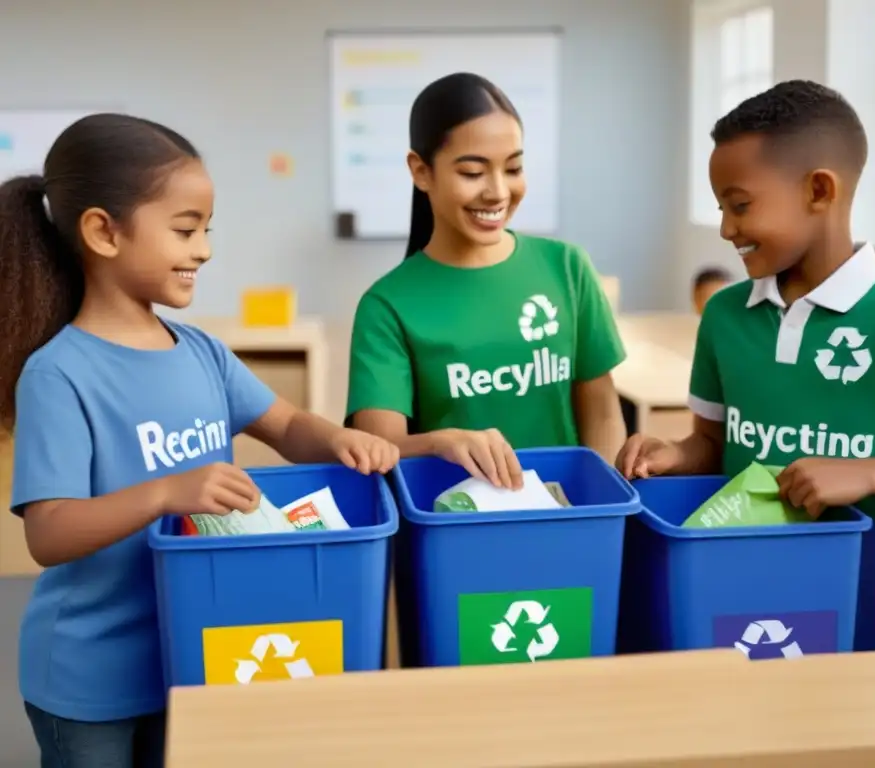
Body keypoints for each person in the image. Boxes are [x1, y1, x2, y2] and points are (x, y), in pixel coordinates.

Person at [0, 114, 399, 768]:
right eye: (185, 230)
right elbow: (48, 532)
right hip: (90, 677)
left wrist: (347, 442)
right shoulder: (60, 374)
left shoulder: (203, 353)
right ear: (103, 231)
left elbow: (289, 427)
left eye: (205, 230)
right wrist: (166, 491)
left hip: (193, 652)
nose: (205, 250)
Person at [617, 80, 875, 521]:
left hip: (867, 579)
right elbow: (714, 446)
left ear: (819, 192)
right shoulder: (724, 315)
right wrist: (675, 454)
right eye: (721, 209)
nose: (726, 230)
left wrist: (867, 475)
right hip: (745, 565)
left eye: (740, 205)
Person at [346, 73, 626, 487]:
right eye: (473, 172)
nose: (498, 192)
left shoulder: (567, 268)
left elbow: (602, 411)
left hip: (565, 516)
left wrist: (598, 499)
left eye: (513, 167)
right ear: (421, 172)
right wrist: (443, 441)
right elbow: (379, 446)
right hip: (454, 523)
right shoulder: (387, 305)